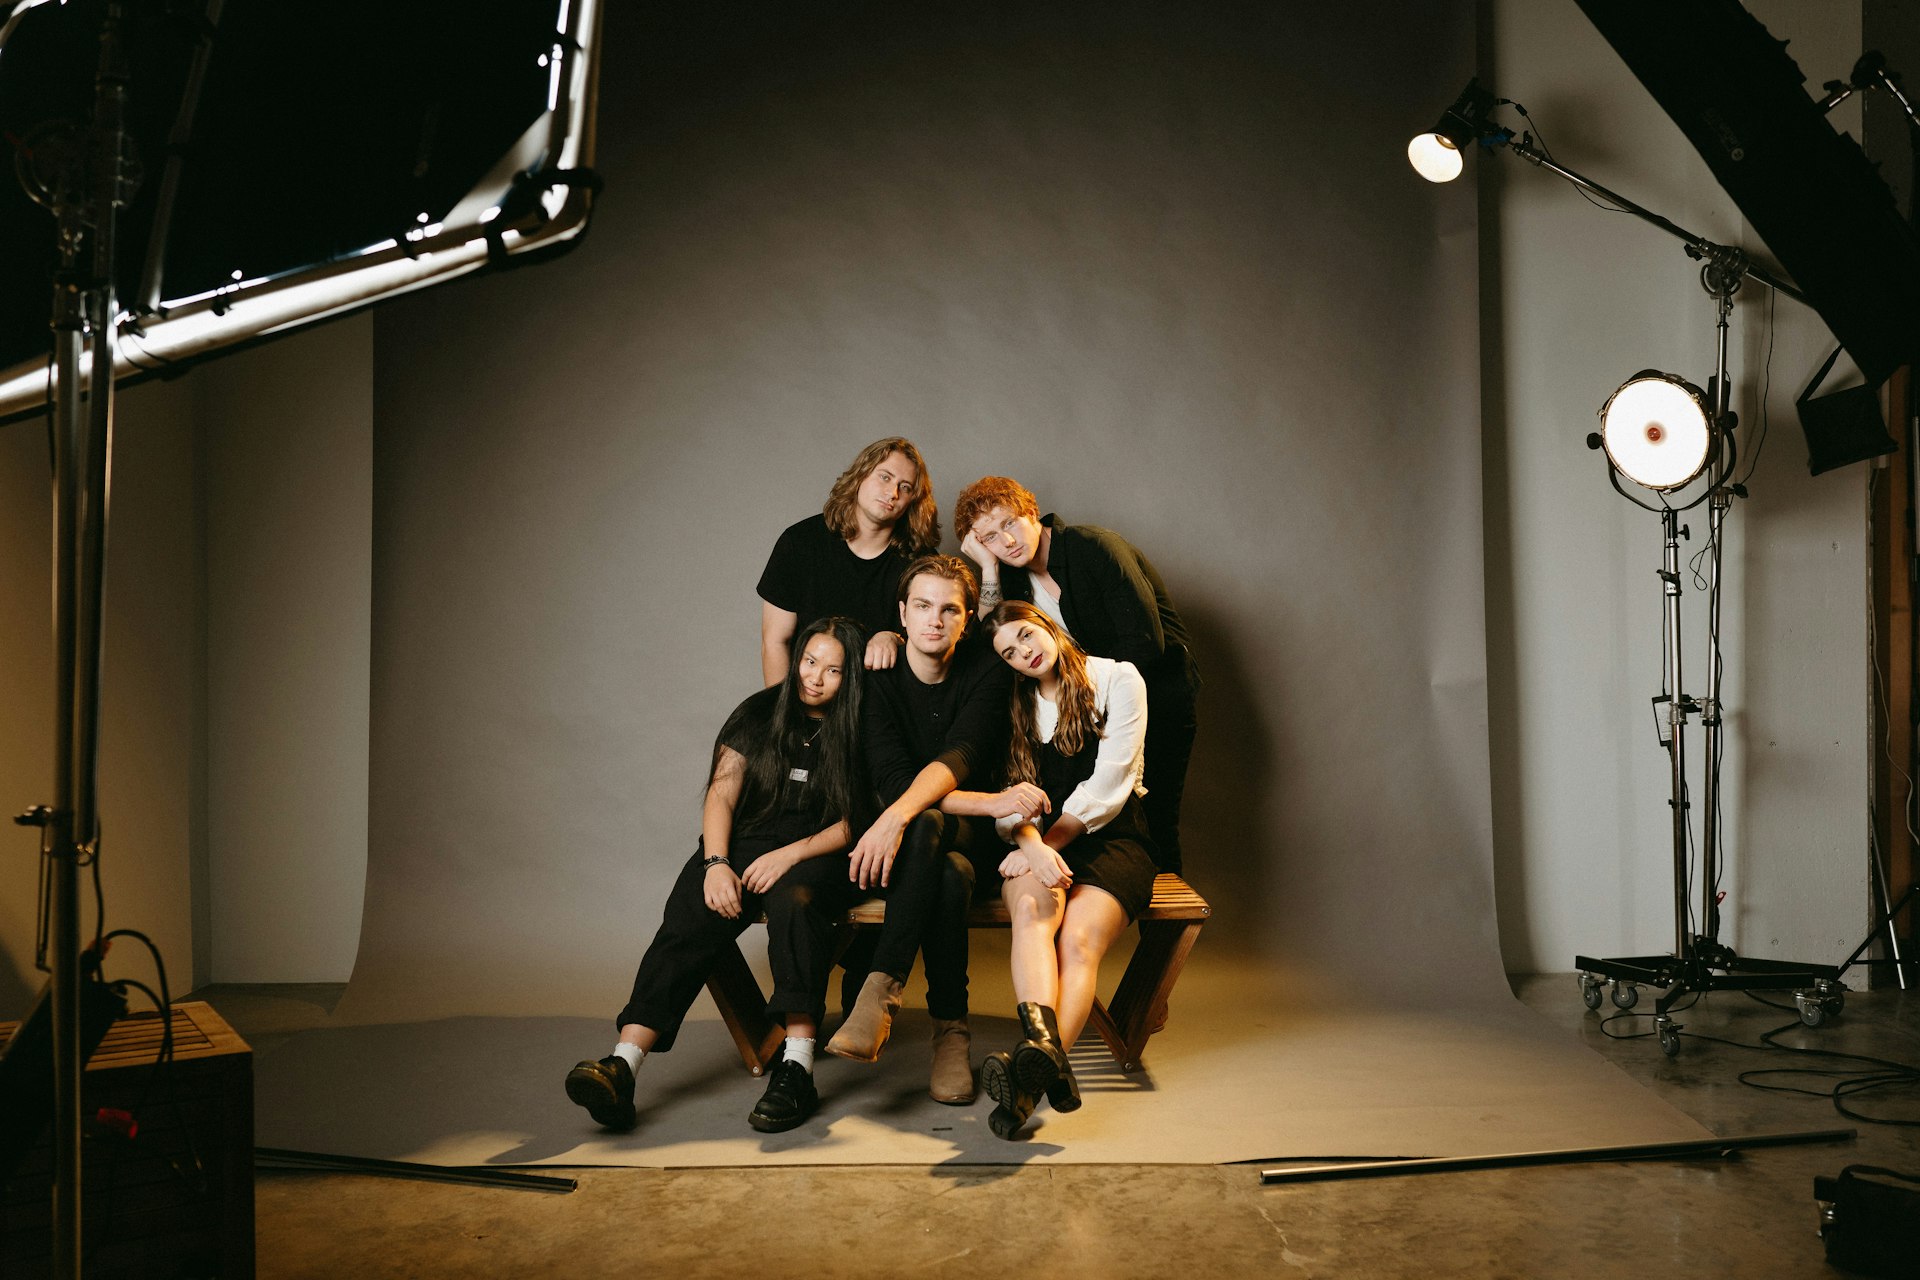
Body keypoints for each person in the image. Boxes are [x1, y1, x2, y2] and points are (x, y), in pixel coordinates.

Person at [565, 616, 872, 1134]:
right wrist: (715, 863)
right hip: (747, 841)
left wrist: (790, 855)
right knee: (690, 911)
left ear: (852, 677)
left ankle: (796, 1068)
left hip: (821, 850)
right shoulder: (758, 712)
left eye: (833, 670)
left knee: (795, 904)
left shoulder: (862, 728)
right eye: (809, 661)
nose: (815, 678)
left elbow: (857, 821)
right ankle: (623, 1065)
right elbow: (722, 794)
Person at [824, 555, 1047, 1105]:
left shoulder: (986, 670)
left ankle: (882, 990)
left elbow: (964, 753)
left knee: (922, 820)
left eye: (950, 609)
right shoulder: (877, 681)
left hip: (977, 837)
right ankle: (951, 1032)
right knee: (947, 872)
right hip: (924, 852)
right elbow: (895, 777)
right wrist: (979, 802)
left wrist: (894, 817)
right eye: (922, 606)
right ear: (901, 613)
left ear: (968, 619)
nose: (935, 620)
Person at [976, 602, 1161, 1139]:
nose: (1025, 653)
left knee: (1077, 943)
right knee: (1034, 910)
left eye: (1027, 636)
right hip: (1034, 842)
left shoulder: (1117, 679)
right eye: (1009, 652)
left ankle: (1025, 1086)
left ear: (1049, 625)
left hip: (1114, 837)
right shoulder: (1015, 707)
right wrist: (1031, 843)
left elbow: (1112, 781)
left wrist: (1046, 843)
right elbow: (1008, 802)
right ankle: (1044, 1055)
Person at [955, 476, 1200, 873]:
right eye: (991, 538)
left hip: (1157, 696)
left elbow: (1143, 644)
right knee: (1088, 814)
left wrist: (1096, 700)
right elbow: (993, 643)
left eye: (1010, 523)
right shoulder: (1015, 577)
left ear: (1032, 513)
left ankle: (1159, 927)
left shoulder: (1094, 547)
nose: (1008, 541)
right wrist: (987, 568)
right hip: (1089, 708)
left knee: (1154, 819)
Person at [757, 438, 939, 686]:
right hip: (811, 700)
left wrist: (895, 638)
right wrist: (785, 719)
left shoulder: (921, 562)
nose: (892, 493)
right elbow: (775, 641)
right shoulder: (799, 543)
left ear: (912, 501)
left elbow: (944, 638)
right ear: (860, 476)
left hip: (885, 709)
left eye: (905, 487)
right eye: (885, 477)